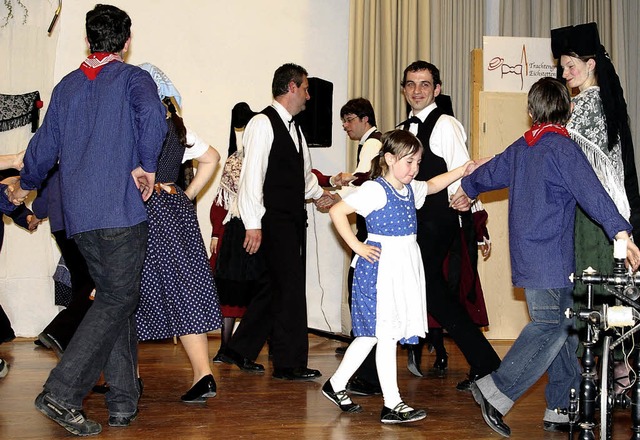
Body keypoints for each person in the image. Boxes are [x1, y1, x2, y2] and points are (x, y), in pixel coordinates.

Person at [451, 77, 640, 438]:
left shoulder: (524, 146)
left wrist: (467, 189)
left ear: (530, 112)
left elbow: (490, 171)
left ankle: (561, 405)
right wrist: (621, 232)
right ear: (567, 111)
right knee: (553, 326)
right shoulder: (562, 149)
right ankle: (496, 391)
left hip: (531, 256)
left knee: (567, 329)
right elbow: (594, 194)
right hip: (551, 257)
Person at [9, 4, 167, 435]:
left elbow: (42, 146)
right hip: (119, 208)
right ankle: (61, 392)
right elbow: (154, 119)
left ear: (88, 39)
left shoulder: (67, 87)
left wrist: (26, 182)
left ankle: (122, 401)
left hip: (79, 218)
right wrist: (148, 166)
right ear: (126, 42)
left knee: (117, 300)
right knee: (118, 299)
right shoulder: (136, 79)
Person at [322, 129, 472, 423]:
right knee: (387, 334)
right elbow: (338, 211)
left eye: (417, 162)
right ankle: (392, 403)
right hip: (382, 269)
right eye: (408, 162)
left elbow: (431, 185)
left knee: (372, 336)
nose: (413, 169)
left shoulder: (408, 189)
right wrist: (356, 246)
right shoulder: (376, 190)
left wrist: (462, 170)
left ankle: (336, 384)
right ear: (389, 159)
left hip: (403, 266)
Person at [224, 63, 336, 380]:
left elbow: (302, 178)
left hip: (290, 222)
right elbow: (251, 177)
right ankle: (289, 364)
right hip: (271, 221)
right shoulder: (262, 123)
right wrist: (253, 224)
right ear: (291, 87)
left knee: (273, 288)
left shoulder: (295, 129)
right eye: (305, 88)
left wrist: (319, 196)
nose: (309, 96)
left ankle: (238, 349)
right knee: (287, 290)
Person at [399, 60, 501, 386]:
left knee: (429, 287)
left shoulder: (446, 124)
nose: (417, 90)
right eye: (411, 84)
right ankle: (484, 361)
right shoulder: (401, 129)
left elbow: (465, 168)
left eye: (424, 84)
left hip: (438, 221)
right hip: (411, 223)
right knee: (431, 292)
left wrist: (469, 201)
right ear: (403, 90)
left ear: (437, 89)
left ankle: (484, 360)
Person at [552, 22, 640, 390]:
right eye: (562, 67)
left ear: (590, 64)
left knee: (592, 287)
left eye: (572, 65)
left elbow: (574, 164)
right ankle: (620, 373)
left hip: (592, 213)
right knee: (607, 286)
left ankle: (605, 377)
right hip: (605, 209)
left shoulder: (587, 104)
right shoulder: (602, 100)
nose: (566, 72)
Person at [134, 63, 222, 403]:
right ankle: (204, 376)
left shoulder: (136, 124)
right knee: (185, 288)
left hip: (141, 211)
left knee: (130, 290)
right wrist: (186, 195)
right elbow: (212, 157)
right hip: (175, 212)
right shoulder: (177, 128)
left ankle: (130, 378)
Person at [210, 102, 259, 364]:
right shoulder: (235, 160)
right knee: (230, 292)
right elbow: (221, 202)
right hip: (235, 230)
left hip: (254, 228)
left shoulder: (260, 159)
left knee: (254, 291)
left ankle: (241, 348)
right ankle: (225, 347)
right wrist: (216, 233)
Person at [31, 166, 95, 359]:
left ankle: (75, 342)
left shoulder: (51, 162)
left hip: (60, 227)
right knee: (95, 284)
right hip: (84, 223)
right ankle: (59, 332)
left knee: (80, 282)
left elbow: (41, 204)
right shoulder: (79, 152)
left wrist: (37, 215)